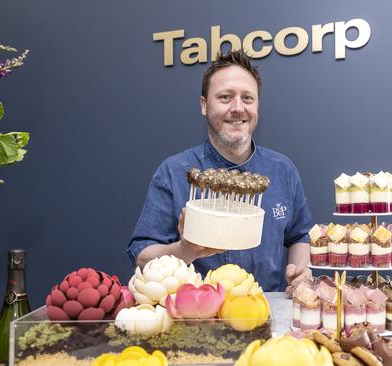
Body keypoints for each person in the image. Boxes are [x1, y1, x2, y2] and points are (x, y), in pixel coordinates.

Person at [128, 49, 313, 293]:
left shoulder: (282, 170)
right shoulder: (173, 172)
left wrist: (301, 271)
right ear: (204, 105)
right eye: (225, 97)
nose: (238, 108)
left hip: (267, 314)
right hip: (197, 318)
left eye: (247, 98)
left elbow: (299, 236)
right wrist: (184, 251)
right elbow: (141, 255)